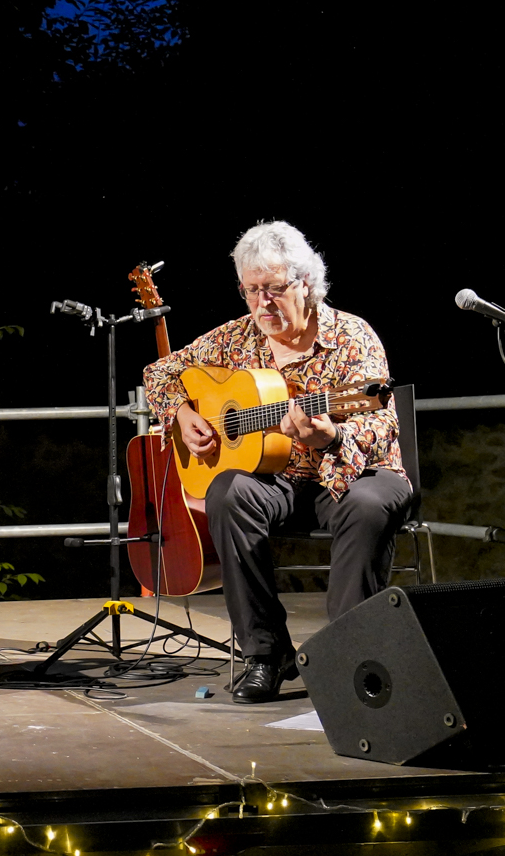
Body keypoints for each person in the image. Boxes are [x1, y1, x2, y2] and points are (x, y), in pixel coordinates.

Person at [142, 221, 411, 703]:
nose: (262, 303)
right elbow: (159, 372)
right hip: (278, 478)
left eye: (274, 289)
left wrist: (331, 436)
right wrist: (182, 414)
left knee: (368, 505)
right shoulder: (236, 337)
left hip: (352, 473)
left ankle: (352, 656)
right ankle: (266, 654)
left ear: (306, 283)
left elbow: (380, 424)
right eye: (251, 291)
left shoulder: (352, 335)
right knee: (227, 492)